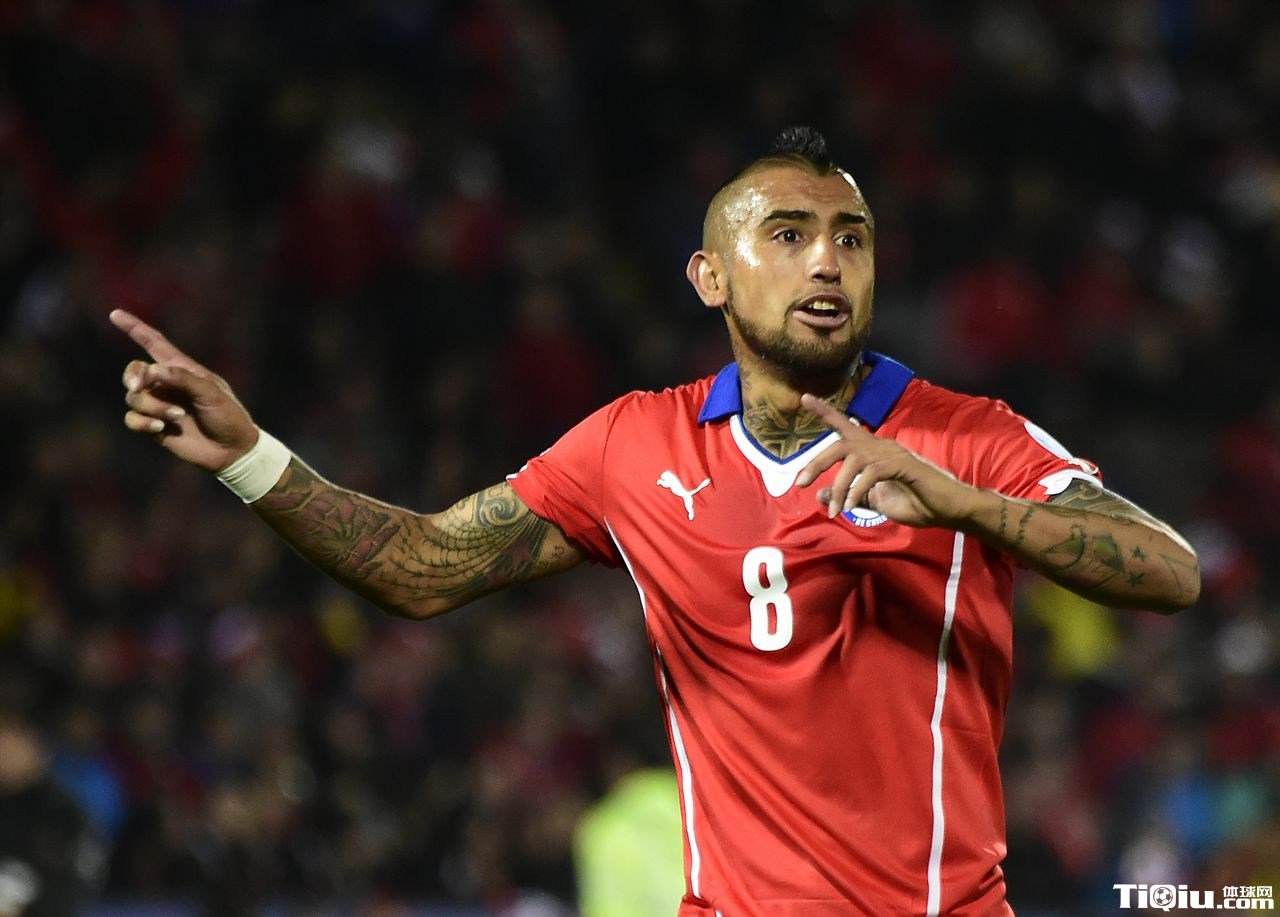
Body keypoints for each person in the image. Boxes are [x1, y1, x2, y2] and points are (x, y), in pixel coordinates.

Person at [111, 127, 1199, 916]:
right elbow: (422, 566)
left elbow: (1167, 569)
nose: (827, 261)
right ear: (709, 277)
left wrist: (967, 506)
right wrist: (249, 456)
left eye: (851, 238)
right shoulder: (633, 446)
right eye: (788, 234)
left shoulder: (965, 434)